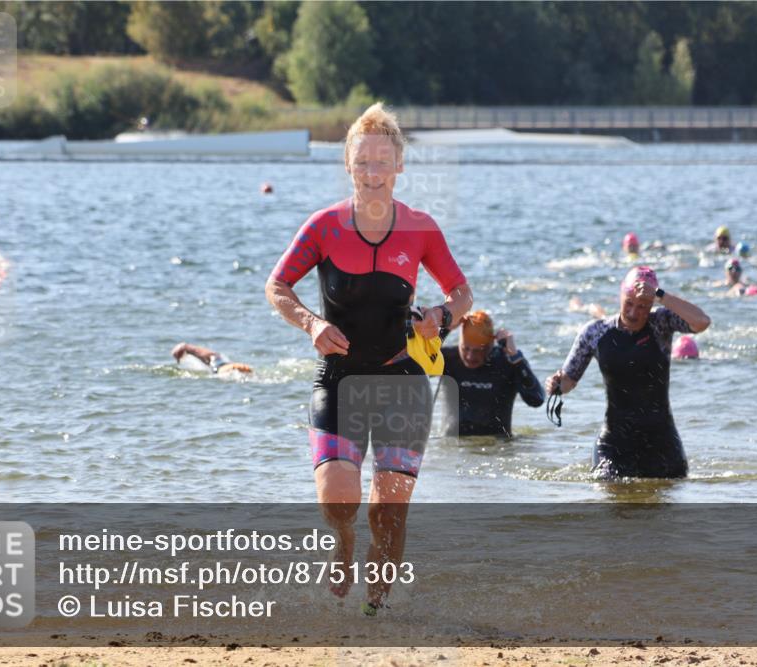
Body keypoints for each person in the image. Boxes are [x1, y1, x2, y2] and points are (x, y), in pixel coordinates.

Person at [265, 103, 472, 615]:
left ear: (399, 165)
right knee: (337, 498)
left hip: (400, 379)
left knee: (389, 511)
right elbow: (277, 286)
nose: (373, 173)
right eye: (363, 162)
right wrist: (311, 323)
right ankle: (343, 541)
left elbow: (462, 293)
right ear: (348, 166)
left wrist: (442, 317)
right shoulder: (324, 227)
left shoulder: (420, 228)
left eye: (383, 162)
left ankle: (374, 615)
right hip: (338, 378)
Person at [546, 266, 711, 480]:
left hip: (661, 440)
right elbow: (569, 380)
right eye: (629, 303)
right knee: (611, 499)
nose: (634, 313)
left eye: (642, 306)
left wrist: (661, 295)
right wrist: (556, 385)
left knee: (666, 506)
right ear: (620, 295)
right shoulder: (595, 332)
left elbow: (702, 322)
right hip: (615, 441)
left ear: (651, 303)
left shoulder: (661, 323)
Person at [439, 311, 544, 438]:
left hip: (497, 449)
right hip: (453, 448)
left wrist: (516, 357)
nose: (470, 356)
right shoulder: (447, 359)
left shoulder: (508, 362)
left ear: (490, 345)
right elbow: (412, 368)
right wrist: (444, 331)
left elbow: (536, 399)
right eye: (465, 348)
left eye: (478, 350)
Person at [171, 342, 252, 375]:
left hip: (226, 369)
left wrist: (184, 347)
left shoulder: (213, 361)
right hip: (235, 366)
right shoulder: (215, 360)